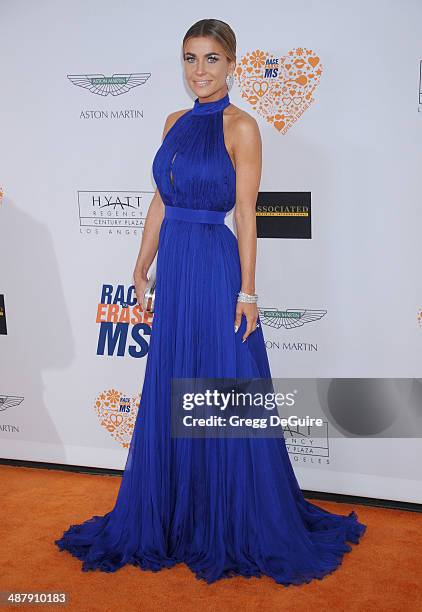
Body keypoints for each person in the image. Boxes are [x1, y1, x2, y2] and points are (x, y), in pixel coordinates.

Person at [55, 18, 366, 585]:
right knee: (174, 383)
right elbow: (159, 199)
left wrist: (248, 290)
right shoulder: (173, 121)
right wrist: (141, 265)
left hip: (216, 265)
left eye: (212, 59)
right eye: (190, 59)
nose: (199, 71)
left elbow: (246, 213)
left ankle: (229, 518)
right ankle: (176, 515)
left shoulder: (242, 126)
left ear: (233, 64)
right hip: (175, 262)